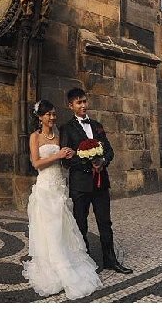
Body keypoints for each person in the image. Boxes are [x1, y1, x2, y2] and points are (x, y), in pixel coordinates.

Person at [23, 100, 102, 299]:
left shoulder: (59, 135)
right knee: (49, 228)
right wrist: (57, 154)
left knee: (62, 226)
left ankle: (68, 261)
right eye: (48, 114)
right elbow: (36, 163)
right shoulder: (35, 137)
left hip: (59, 186)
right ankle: (53, 266)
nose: (52, 117)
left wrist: (74, 153)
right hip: (45, 187)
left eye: (54, 114)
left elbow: (66, 159)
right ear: (40, 117)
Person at [59, 88, 132, 274]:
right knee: (81, 223)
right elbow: (65, 159)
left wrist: (103, 161)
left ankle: (110, 260)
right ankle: (85, 263)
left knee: (105, 223)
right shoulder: (66, 129)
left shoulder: (97, 125)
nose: (83, 105)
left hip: (101, 183)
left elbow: (109, 150)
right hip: (80, 185)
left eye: (84, 101)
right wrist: (87, 161)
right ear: (71, 106)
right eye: (78, 103)